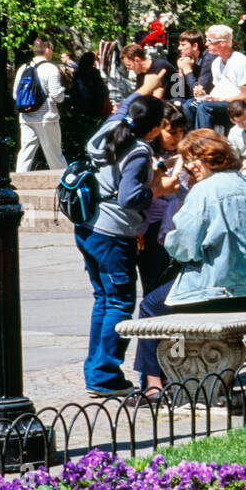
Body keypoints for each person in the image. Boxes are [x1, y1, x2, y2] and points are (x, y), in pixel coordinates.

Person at [131, 130, 246, 399]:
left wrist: (178, 244)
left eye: (192, 158)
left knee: (151, 307)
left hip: (216, 291)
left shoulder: (204, 191)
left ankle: (154, 385)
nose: (188, 166)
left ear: (209, 155)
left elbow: (182, 247)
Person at [74, 95, 175, 395]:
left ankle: (97, 373)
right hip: (113, 232)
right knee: (118, 302)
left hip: (88, 226)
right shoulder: (139, 151)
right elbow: (128, 198)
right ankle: (104, 375)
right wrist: (159, 190)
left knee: (104, 299)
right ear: (155, 129)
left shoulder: (109, 131)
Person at [136, 102, 190, 297]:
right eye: (171, 132)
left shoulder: (188, 153)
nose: (177, 138)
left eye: (181, 132)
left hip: (181, 222)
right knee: (153, 277)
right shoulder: (147, 155)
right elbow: (169, 184)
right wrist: (174, 164)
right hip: (153, 225)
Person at [13, 37, 67, 172]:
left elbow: (16, 94)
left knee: (25, 152)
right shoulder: (51, 69)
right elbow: (57, 96)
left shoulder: (23, 68)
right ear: (47, 49)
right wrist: (63, 93)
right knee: (54, 153)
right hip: (47, 117)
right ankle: (65, 184)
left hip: (26, 117)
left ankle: (20, 181)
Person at [192, 25, 246, 130]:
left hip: (241, 108)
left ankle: (206, 143)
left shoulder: (240, 62)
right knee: (191, 106)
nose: (206, 44)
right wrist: (206, 96)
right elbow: (221, 90)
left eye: (210, 41)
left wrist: (219, 99)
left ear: (223, 43)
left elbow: (245, 97)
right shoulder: (216, 63)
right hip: (225, 105)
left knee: (205, 107)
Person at [69, 51, 111, 119]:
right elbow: (101, 88)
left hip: (80, 104)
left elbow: (74, 88)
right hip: (94, 104)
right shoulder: (94, 72)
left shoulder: (77, 72)